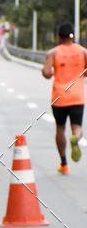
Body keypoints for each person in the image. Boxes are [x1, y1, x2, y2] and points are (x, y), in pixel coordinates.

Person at [41, 22, 87, 173]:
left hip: (59, 97)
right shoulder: (83, 52)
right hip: (77, 96)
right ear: (73, 36)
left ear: (59, 36)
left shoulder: (53, 53)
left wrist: (49, 69)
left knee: (60, 128)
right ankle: (76, 137)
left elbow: (47, 73)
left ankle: (64, 163)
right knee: (77, 126)